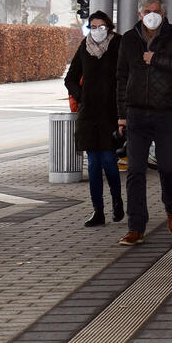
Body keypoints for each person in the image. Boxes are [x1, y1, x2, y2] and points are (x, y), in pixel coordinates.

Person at [116, 0, 172, 246]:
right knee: (135, 171)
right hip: (136, 114)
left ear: (163, 13)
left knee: (168, 167)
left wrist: (157, 59)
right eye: (147, 10)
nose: (152, 14)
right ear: (139, 14)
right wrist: (121, 115)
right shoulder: (129, 40)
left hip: (167, 113)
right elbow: (121, 77)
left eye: (157, 10)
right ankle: (136, 226)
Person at [64, 11, 123, 228]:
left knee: (108, 160)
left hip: (110, 113)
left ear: (108, 26)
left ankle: (117, 202)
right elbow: (70, 79)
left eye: (101, 26)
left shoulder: (118, 44)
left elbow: (126, 75)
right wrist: (82, 97)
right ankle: (98, 210)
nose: (97, 30)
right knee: (93, 164)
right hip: (89, 115)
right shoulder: (84, 47)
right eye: (93, 26)